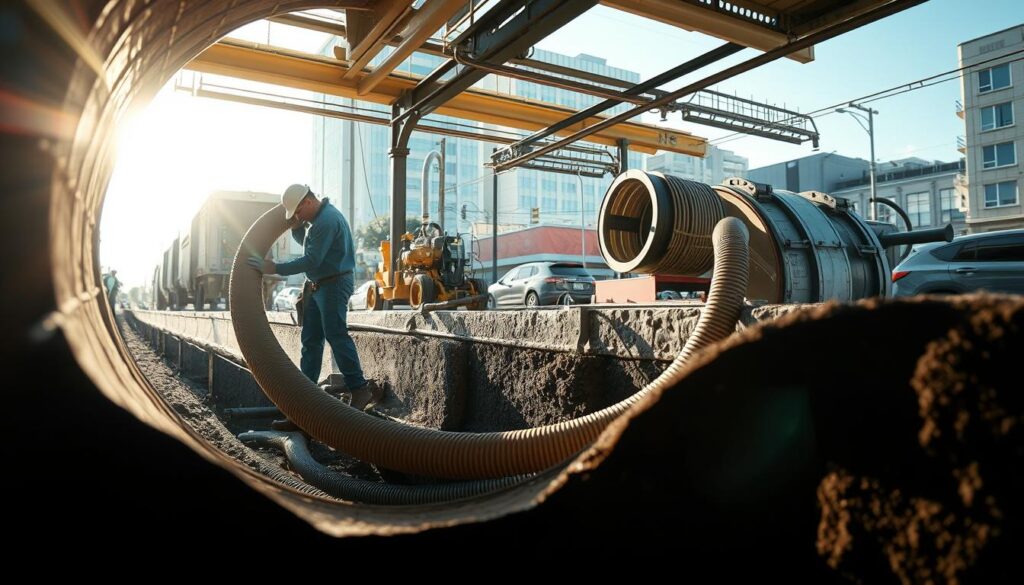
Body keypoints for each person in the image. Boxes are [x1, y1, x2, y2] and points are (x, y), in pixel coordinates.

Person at [247, 185, 382, 420]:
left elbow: (312, 259)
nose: (298, 217)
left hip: (334, 284)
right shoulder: (317, 221)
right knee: (310, 341)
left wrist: (275, 268)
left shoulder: (327, 221)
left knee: (336, 335)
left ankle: (359, 389)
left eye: (298, 212)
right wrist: (297, 229)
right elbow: (311, 245)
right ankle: (306, 397)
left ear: (308, 202)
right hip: (318, 285)